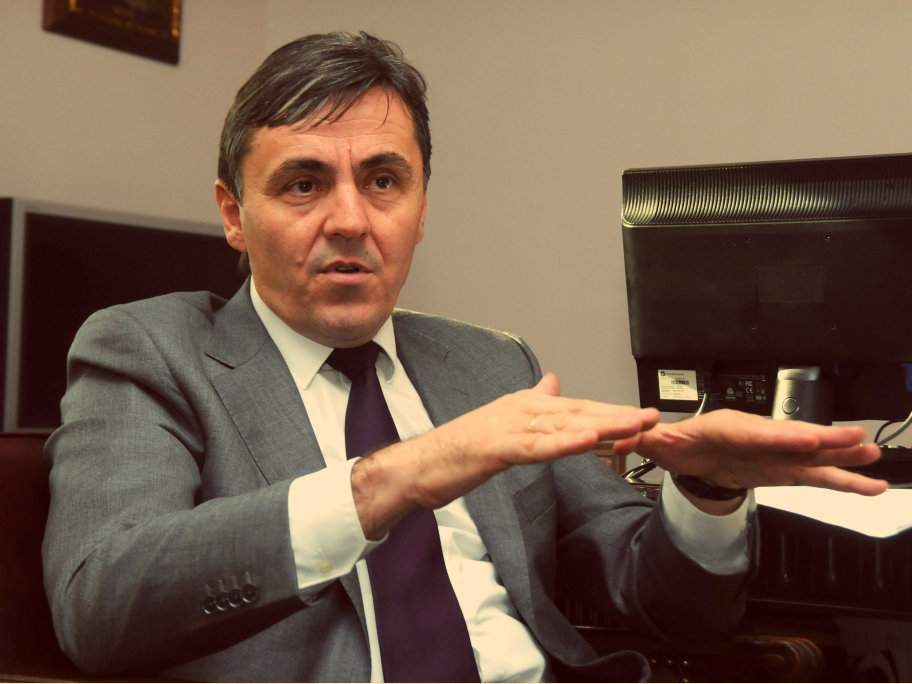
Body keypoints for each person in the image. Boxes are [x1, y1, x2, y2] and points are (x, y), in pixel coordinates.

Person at [42, 31, 886, 682]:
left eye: (383, 180)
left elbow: (665, 604)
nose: (350, 220)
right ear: (234, 214)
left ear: (420, 209)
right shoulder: (148, 351)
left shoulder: (489, 366)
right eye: (303, 183)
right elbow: (101, 601)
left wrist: (707, 493)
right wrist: (397, 477)